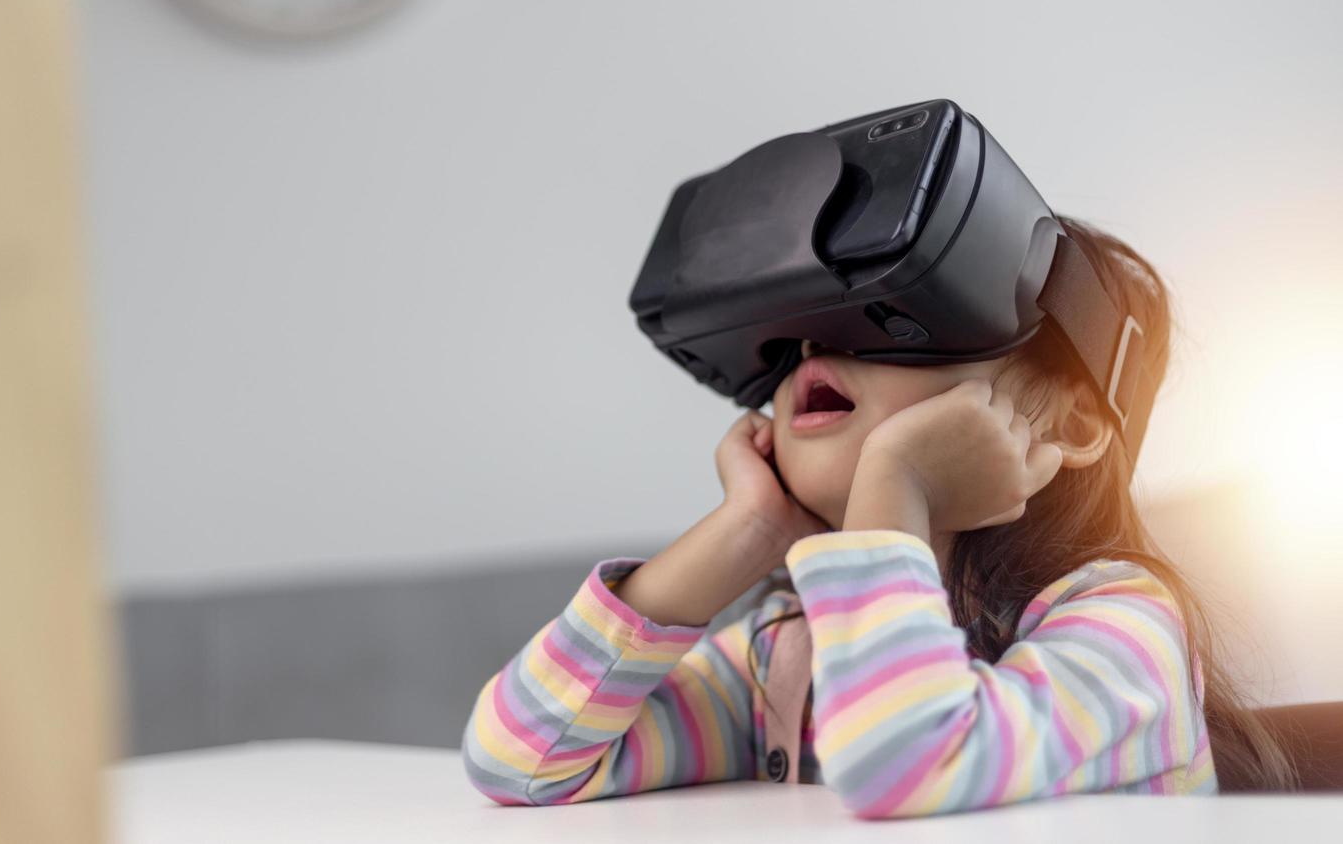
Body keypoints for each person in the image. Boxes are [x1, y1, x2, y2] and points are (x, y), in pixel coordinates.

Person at [460, 216, 1298, 817]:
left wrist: (898, 477)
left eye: (896, 321)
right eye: (794, 342)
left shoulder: (1125, 627)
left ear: (1070, 425)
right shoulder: (784, 659)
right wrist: (745, 529)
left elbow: (910, 763)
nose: (818, 352)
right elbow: (519, 759)